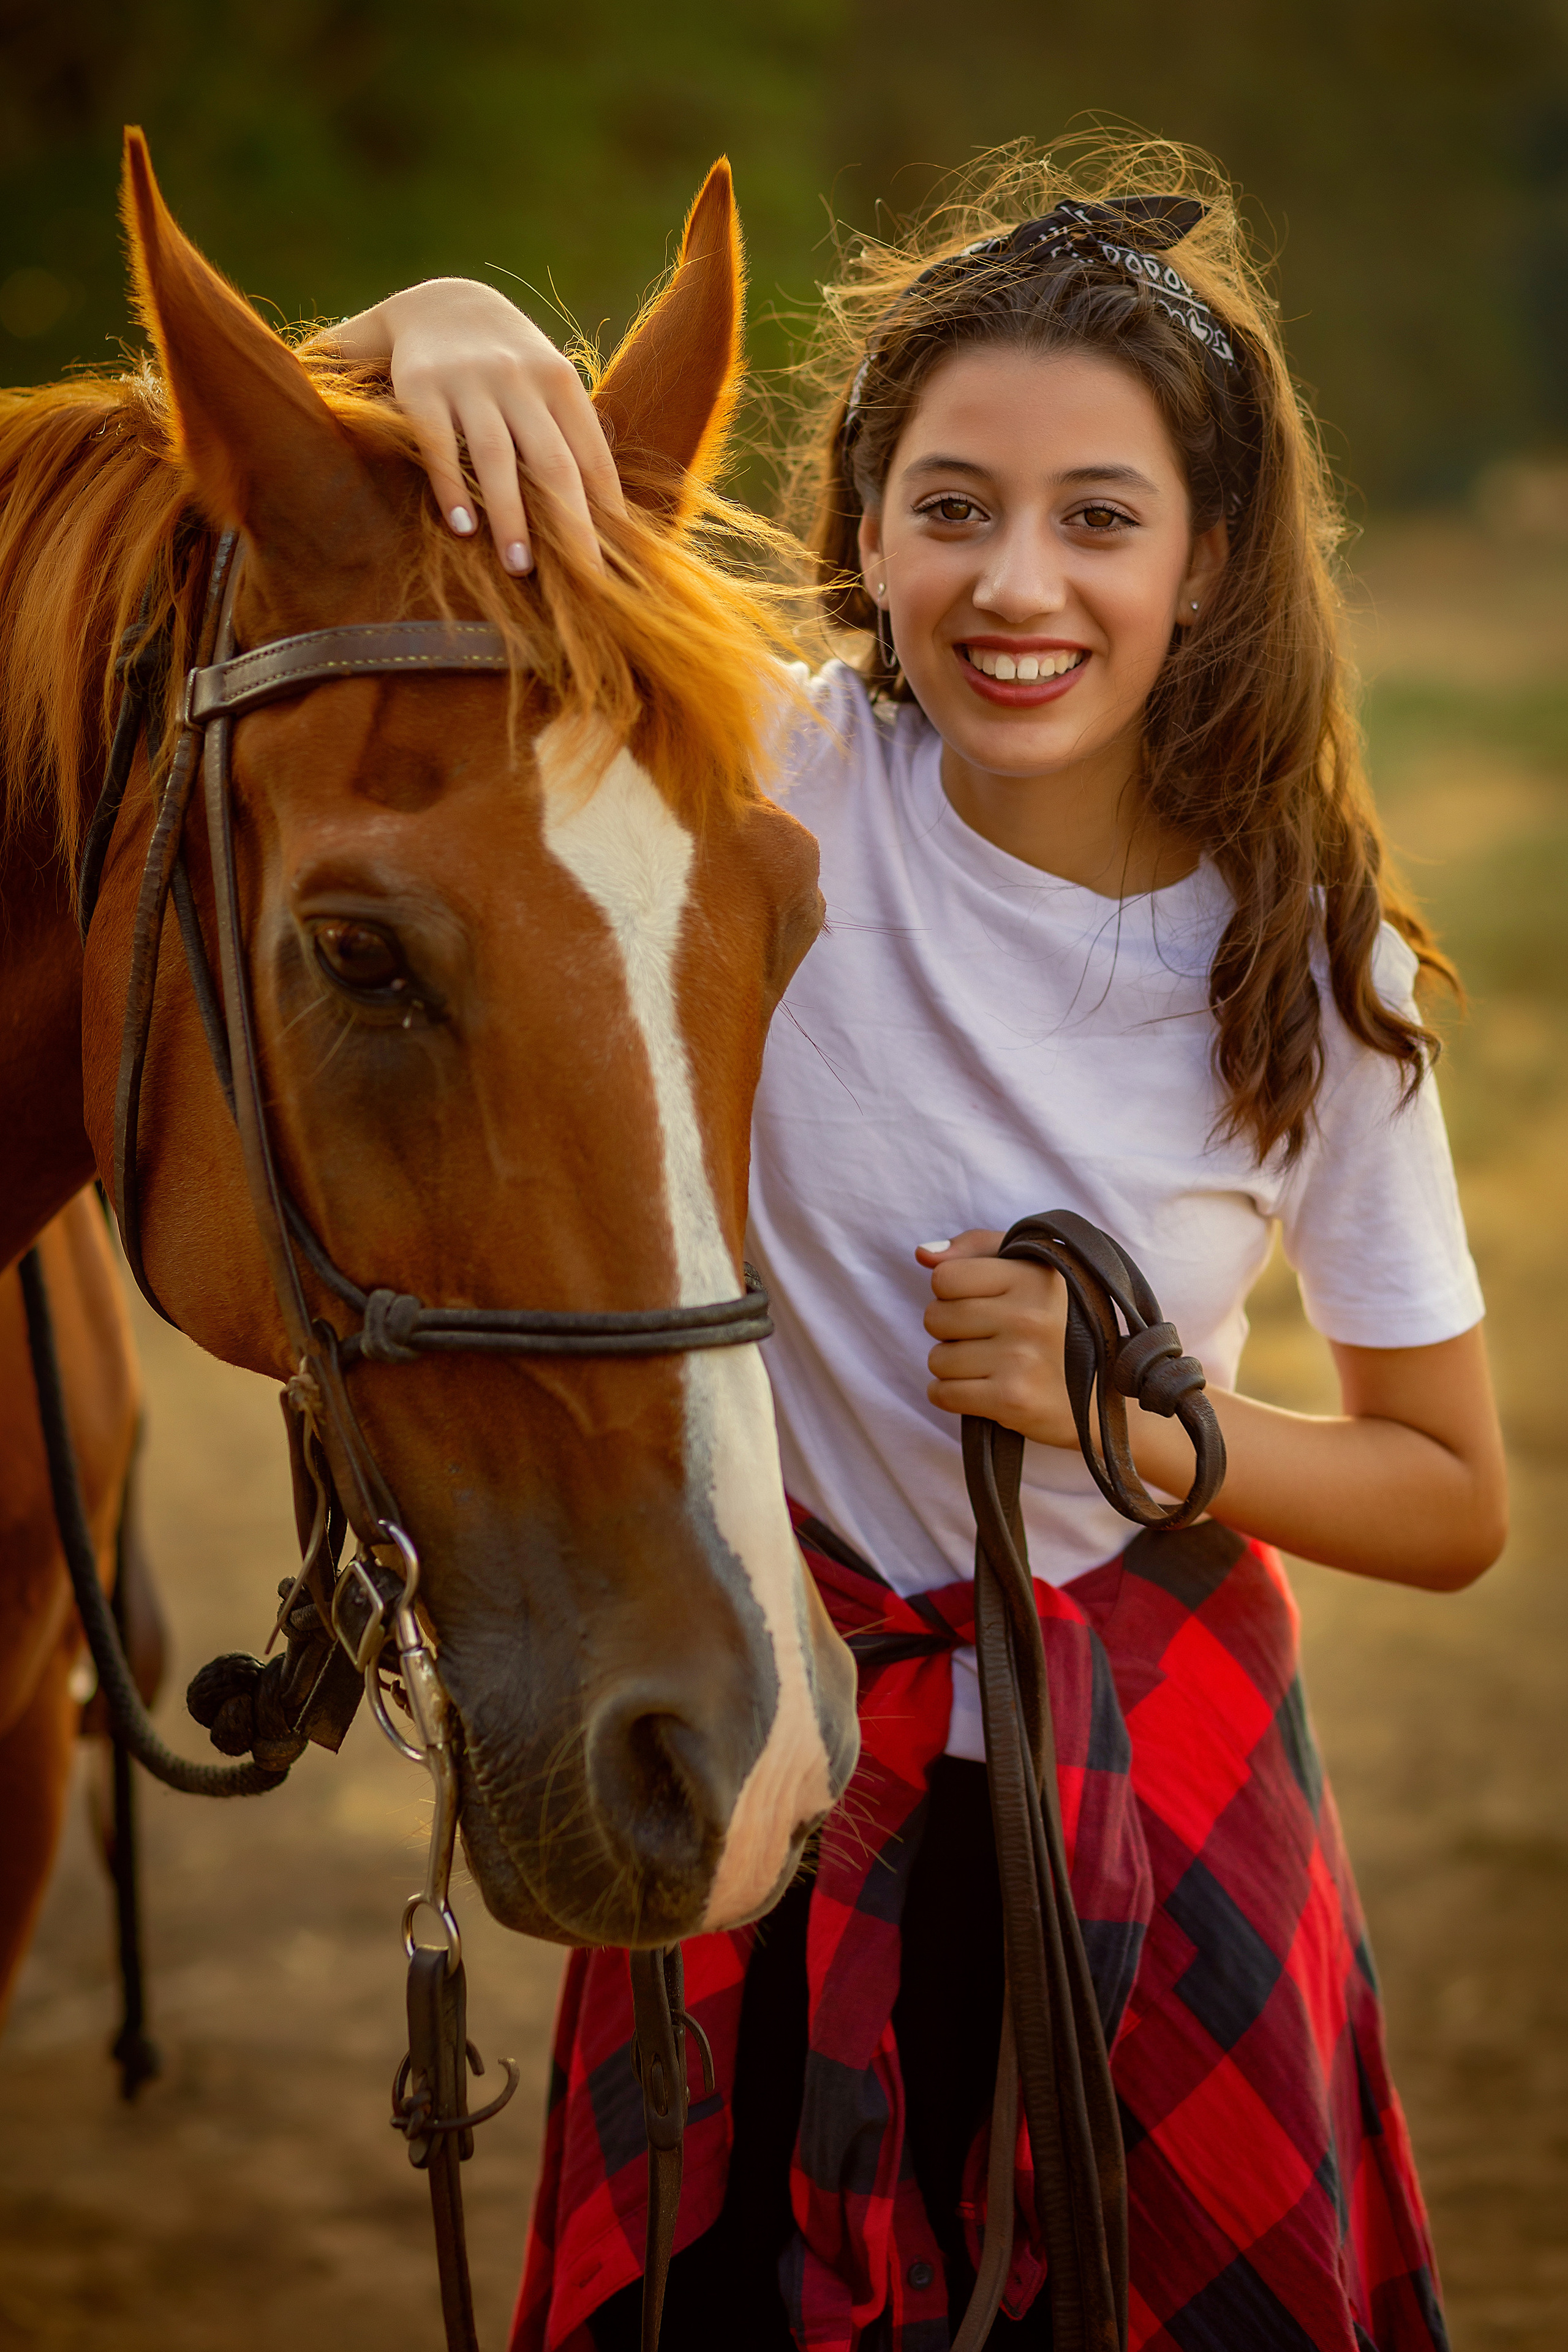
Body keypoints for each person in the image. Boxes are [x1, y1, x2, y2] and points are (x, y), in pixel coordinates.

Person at [328, 140, 1506, 2352]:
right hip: (781, 1754)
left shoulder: (1316, 973)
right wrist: (439, 321)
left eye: (1099, 517)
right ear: (862, 528)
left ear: (1212, 556)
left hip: (1151, 1793)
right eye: (952, 505)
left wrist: (1133, 1419)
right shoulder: (757, 773)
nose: (1015, 583)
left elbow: (1451, 1501)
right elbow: (396, 501)